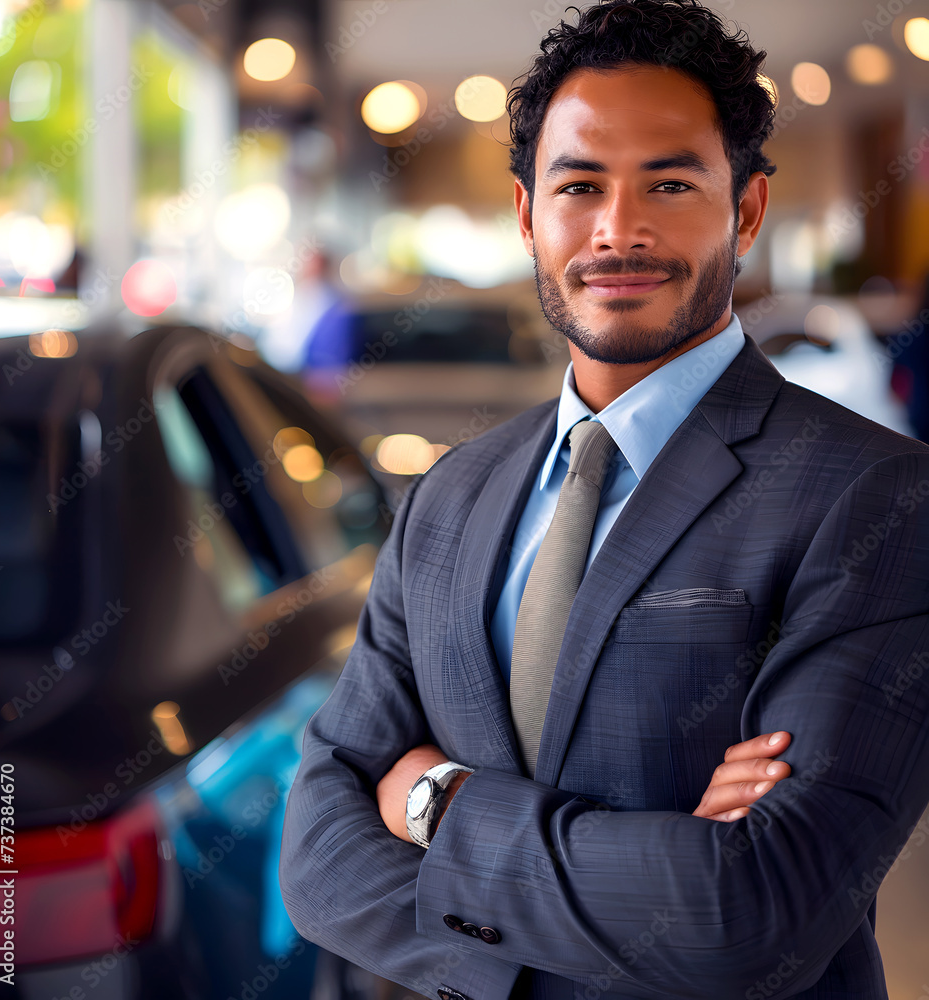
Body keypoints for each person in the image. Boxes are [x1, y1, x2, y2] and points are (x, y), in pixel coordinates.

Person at [280, 2, 929, 998]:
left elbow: (756, 910)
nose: (617, 229)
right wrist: (648, 873)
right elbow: (317, 858)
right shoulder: (450, 495)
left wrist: (432, 800)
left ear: (745, 209)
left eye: (668, 183)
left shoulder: (870, 497)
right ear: (526, 212)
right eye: (578, 184)